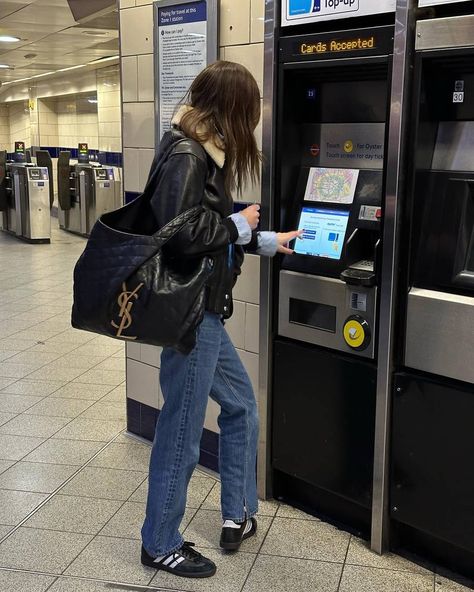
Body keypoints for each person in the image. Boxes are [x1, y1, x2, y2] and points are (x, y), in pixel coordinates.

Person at [140, 60, 302, 579]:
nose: (251, 124)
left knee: (240, 407)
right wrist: (237, 223)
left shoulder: (201, 150)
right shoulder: (188, 153)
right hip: (192, 318)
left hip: (206, 312)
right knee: (182, 429)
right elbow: (181, 232)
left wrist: (266, 240)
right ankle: (160, 542)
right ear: (232, 109)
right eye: (249, 112)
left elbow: (208, 228)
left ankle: (237, 513)